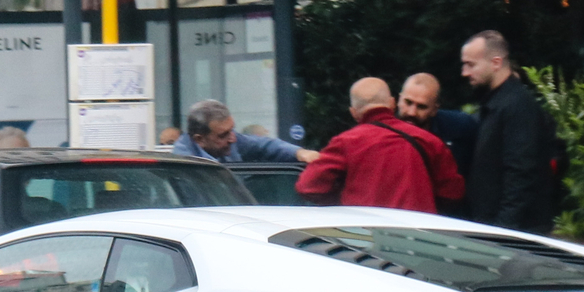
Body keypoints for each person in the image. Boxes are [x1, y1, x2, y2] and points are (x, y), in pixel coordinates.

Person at [293, 79, 462, 213]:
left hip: (365, 234)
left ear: (353, 112)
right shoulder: (430, 141)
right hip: (419, 235)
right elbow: (453, 193)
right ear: (392, 103)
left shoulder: (346, 142)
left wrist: (342, 203)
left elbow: (308, 186)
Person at [459, 30, 561, 235]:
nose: (465, 72)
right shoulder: (501, 103)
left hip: (514, 231)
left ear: (496, 63)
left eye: (471, 64)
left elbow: (520, 172)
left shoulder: (516, 106)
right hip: (504, 226)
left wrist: (503, 230)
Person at [395, 72, 476, 217]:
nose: (412, 112)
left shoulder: (459, 128)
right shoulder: (381, 130)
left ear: (434, 109)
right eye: (408, 102)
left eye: (422, 107)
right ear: (399, 100)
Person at [170, 99, 321, 164]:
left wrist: (300, 153)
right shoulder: (184, 162)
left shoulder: (232, 141)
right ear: (199, 139)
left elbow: (266, 146)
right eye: (223, 135)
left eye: (232, 130)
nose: (233, 139)